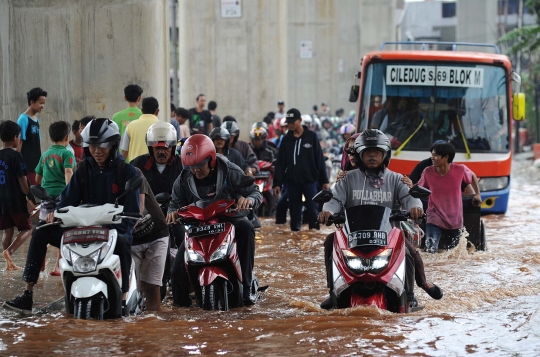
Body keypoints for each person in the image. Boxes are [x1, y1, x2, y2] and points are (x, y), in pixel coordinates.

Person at [3, 118, 139, 315]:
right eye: (92, 146)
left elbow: (132, 213)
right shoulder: (83, 169)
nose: (97, 150)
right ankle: (27, 294)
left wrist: (119, 230)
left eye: (102, 146)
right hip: (82, 229)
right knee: (40, 231)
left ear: (113, 145)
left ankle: (124, 298)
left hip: (112, 233)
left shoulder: (126, 171)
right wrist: (55, 214)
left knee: (125, 242)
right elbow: (67, 200)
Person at [318, 129, 443, 310]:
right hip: (353, 238)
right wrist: (327, 211)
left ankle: (410, 293)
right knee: (330, 240)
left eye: (376, 152)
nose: (372, 156)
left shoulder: (397, 179)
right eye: (367, 152)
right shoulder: (347, 179)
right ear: (359, 155)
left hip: (388, 237)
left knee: (410, 252)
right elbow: (334, 199)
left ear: (385, 154)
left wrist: (415, 208)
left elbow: (410, 198)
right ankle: (333, 291)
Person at [165, 134, 262, 306]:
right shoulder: (183, 179)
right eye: (191, 166)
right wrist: (172, 213)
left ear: (211, 159)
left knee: (246, 228)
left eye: (200, 165)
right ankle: (180, 310)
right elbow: (175, 204)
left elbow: (254, 192)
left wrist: (249, 200)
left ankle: (247, 286)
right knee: (177, 270)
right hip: (197, 226)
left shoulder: (229, 170)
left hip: (229, 220)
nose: (196, 170)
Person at [417, 141, 481, 253]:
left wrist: (477, 194)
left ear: (446, 157)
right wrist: (409, 186)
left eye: (435, 155)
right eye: (432, 155)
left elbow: (473, 176)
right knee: (431, 251)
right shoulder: (427, 172)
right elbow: (418, 188)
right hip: (434, 217)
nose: (432, 158)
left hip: (454, 219)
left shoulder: (460, 170)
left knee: (454, 254)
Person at [130, 121, 185, 247]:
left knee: (184, 241)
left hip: (177, 216)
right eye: (157, 148)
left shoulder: (183, 165)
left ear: (172, 148)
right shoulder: (137, 164)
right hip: (147, 217)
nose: (161, 152)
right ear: (151, 148)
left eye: (165, 148)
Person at [273, 108, 329, 231]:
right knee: (294, 215)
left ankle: (314, 239)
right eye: (289, 122)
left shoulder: (311, 136)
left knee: (313, 212)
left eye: (293, 122)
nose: (291, 125)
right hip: (292, 183)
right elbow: (281, 163)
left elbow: (319, 159)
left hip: (310, 182)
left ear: (300, 120)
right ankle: (295, 241)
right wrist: (277, 183)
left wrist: (324, 180)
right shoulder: (286, 140)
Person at [34, 121, 75, 276]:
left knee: (44, 228)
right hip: (61, 197)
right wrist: (69, 192)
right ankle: (58, 266)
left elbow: (38, 178)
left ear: (50, 138)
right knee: (63, 231)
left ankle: (40, 264)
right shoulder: (67, 153)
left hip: (45, 197)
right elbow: (68, 172)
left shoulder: (45, 155)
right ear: (67, 137)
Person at [0, 121, 36, 271]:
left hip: (1, 201)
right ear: (15, 137)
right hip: (15, 200)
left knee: (7, 230)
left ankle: (9, 263)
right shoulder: (16, 156)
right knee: (27, 228)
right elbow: (23, 181)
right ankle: (9, 252)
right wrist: (29, 195)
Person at [131, 168, 169, 311]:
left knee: (152, 289)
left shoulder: (134, 172)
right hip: (128, 240)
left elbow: (139, 208)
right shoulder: (92, 175)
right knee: (135, 290)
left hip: (156, 235)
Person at [17, 87, 47, 186]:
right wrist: (17, 163)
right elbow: (19, 142)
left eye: (44, 103)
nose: (42, 106)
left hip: (36, 164)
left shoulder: (36, 119)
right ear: (32, 102)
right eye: (40, 103)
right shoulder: (23, 119)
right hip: (27, 164)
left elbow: (37, 143)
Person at [120, 97, 159, 162]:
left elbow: (124, 151)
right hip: (155, 169)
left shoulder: (130, 126)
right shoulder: (162, 127)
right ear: (157, 111)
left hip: (134, 168)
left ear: (142, 110)